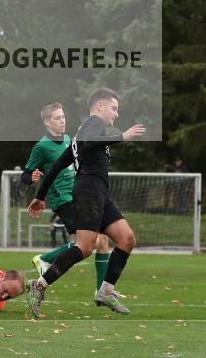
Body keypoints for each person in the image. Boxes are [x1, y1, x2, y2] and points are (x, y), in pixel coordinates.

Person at [27, 88, 145, 317]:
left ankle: (106, 291)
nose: (116, 114)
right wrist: (122, 136)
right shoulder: (94, 123)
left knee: (126, 238)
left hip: (99, 194)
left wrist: (40, 196)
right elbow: (91, 143)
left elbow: (57, 166)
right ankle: (39, 285)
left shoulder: (79, 136)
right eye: (114, 108)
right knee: (84, 247)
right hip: (89, 192)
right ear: (100, 106)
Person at [22, 102, 113, 299]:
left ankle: (103, 291)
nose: (63, 121)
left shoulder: (67, 139)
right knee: (90, 242)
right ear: (47, 122)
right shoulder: (41, 147)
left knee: (102, 240)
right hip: (63, 199)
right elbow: (25, 174)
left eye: (63, 116)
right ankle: (43, 259)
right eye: (57, 118)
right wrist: (31, 178)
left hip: (80, 195)